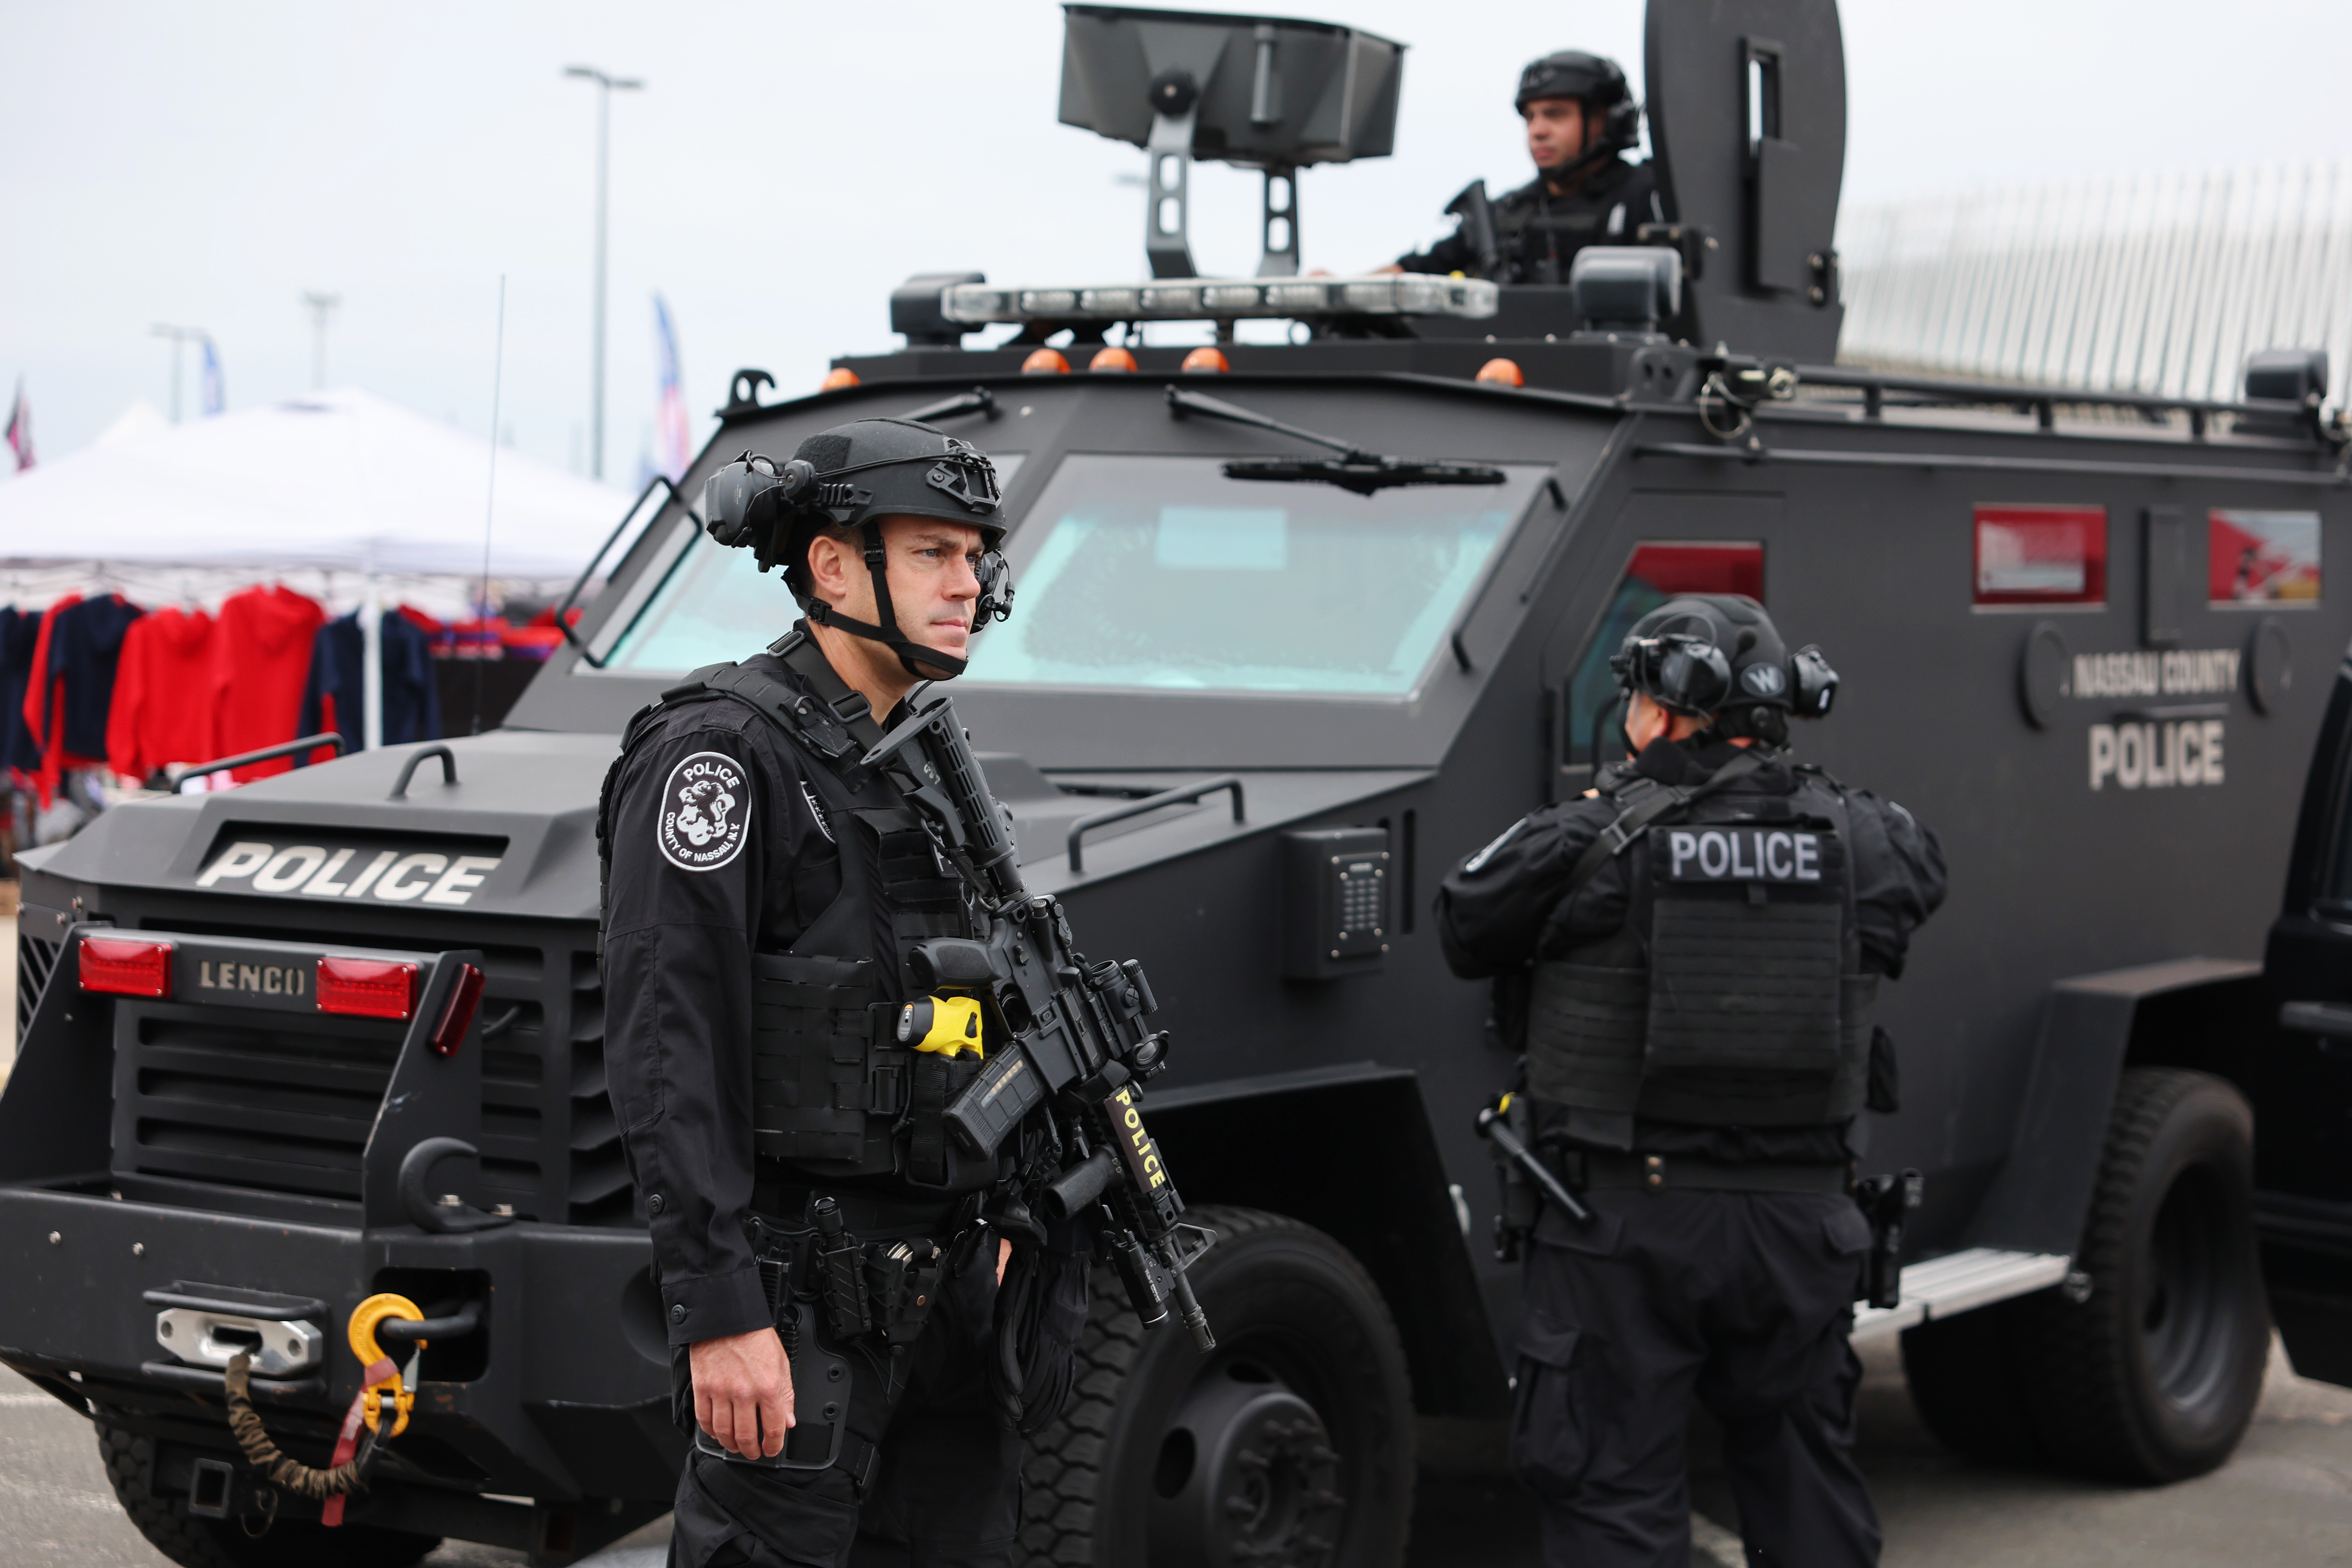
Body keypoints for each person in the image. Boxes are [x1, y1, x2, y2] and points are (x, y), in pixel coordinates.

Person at [600, 417, 1087, 1567]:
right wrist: (718, 1309)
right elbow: (670, 1051)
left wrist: (1004, 1197)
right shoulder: (722, 755)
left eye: (975, 555)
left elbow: (944, 1002)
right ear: (832, 567)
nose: (968, 582)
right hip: (800, 1300)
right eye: (931, 553)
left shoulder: (908, 759)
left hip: (945, 1290)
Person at [1436, 594, 1946, 1568]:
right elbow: (1920, 878)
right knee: (1808, 1492)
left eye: (1632, 695)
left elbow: (1467, 919)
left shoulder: (1588, 840)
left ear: (1667, 712)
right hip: (1803, 1230)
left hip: (1623, 1231)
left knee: (1612, 1500)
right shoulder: (1865, 838)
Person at [1388, 51, 1662, 284]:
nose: (1537, 131)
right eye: (1530, 118)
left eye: (1556, 115)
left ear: (1608, 120)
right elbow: (1415, 272)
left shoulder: (1647, 197)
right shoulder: (1509, 213)